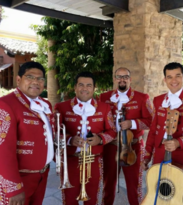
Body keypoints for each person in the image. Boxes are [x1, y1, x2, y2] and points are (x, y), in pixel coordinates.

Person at [142, 62, 183, 203]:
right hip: (159, 153)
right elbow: (153, 131)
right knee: (157, 191)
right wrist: (147, 155)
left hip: (181, 154)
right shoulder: (158, 100)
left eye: (177, 76)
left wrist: (179, 142)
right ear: (164, 80)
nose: (174, 80)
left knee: (182, 194)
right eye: (169, 77)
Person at [54, 71, 116, 205]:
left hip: (95, 160)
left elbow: (112, 131)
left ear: (94, 88)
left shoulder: (105, 108)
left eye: (89, 85)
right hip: (70, 161)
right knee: (69, 200)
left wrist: (100, 139)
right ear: (75, 87)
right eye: (81, 85)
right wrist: (70, 140)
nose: (84, 88)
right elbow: (53, 133)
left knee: (92, 200)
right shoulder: (61, 107)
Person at [0, 61, 54, 205]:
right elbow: (3, 151)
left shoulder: (45, 104)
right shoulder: (6, 104)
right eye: (30, 77)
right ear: (19, 80)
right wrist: (13, 188)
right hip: (20, 179)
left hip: (42, 175)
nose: (35, 82)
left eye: (40, 79)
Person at [99, 67, 153, 205]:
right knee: (107, 184)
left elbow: (151, 122)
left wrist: (132, 123)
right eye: (119, 76)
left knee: (134, 185)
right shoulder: (104, 98)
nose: (122, 79)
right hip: (110, 147)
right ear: (115, 79)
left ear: (130, 79)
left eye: (125, 77)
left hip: (133, 146)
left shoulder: (142, 97)